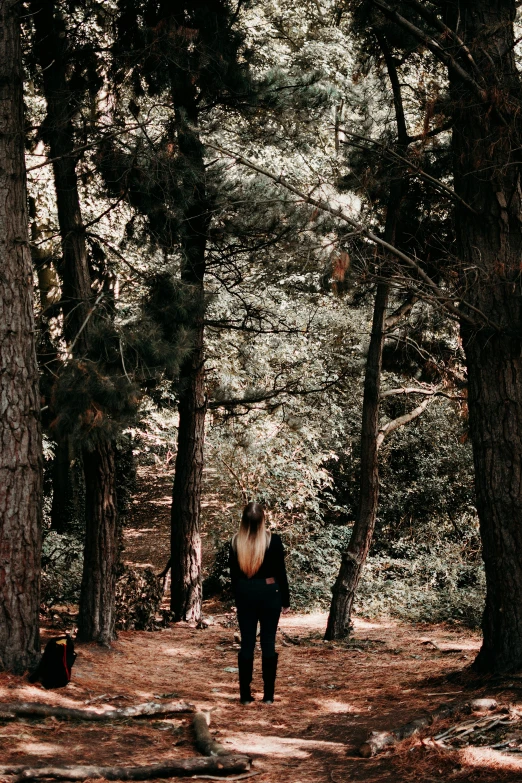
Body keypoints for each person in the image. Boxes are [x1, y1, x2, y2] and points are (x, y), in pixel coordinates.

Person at [229, 502, 290, 705]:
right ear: (263, 520)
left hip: (245, 593)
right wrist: (286, 600)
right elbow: (281, 573)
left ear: (243, 521)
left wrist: (238, 597)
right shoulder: (274, 541)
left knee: (247, 642)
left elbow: (234, 577)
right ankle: (269, 696)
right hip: (269, 593)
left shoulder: (235, 542)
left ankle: (245, 696)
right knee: (268, 642)